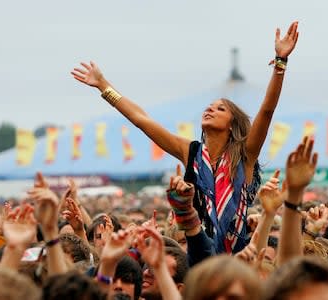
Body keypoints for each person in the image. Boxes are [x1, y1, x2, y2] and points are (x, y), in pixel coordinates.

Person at [71, 21, 299, 255]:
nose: (210, 109)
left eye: (220, 109)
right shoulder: (191, 152)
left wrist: (280, 62)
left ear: (232, 125)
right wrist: (103, 85)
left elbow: (267, 111)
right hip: (198, 253)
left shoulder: (245, 155)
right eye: (209, 107)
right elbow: (142, 120)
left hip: (240, 257)